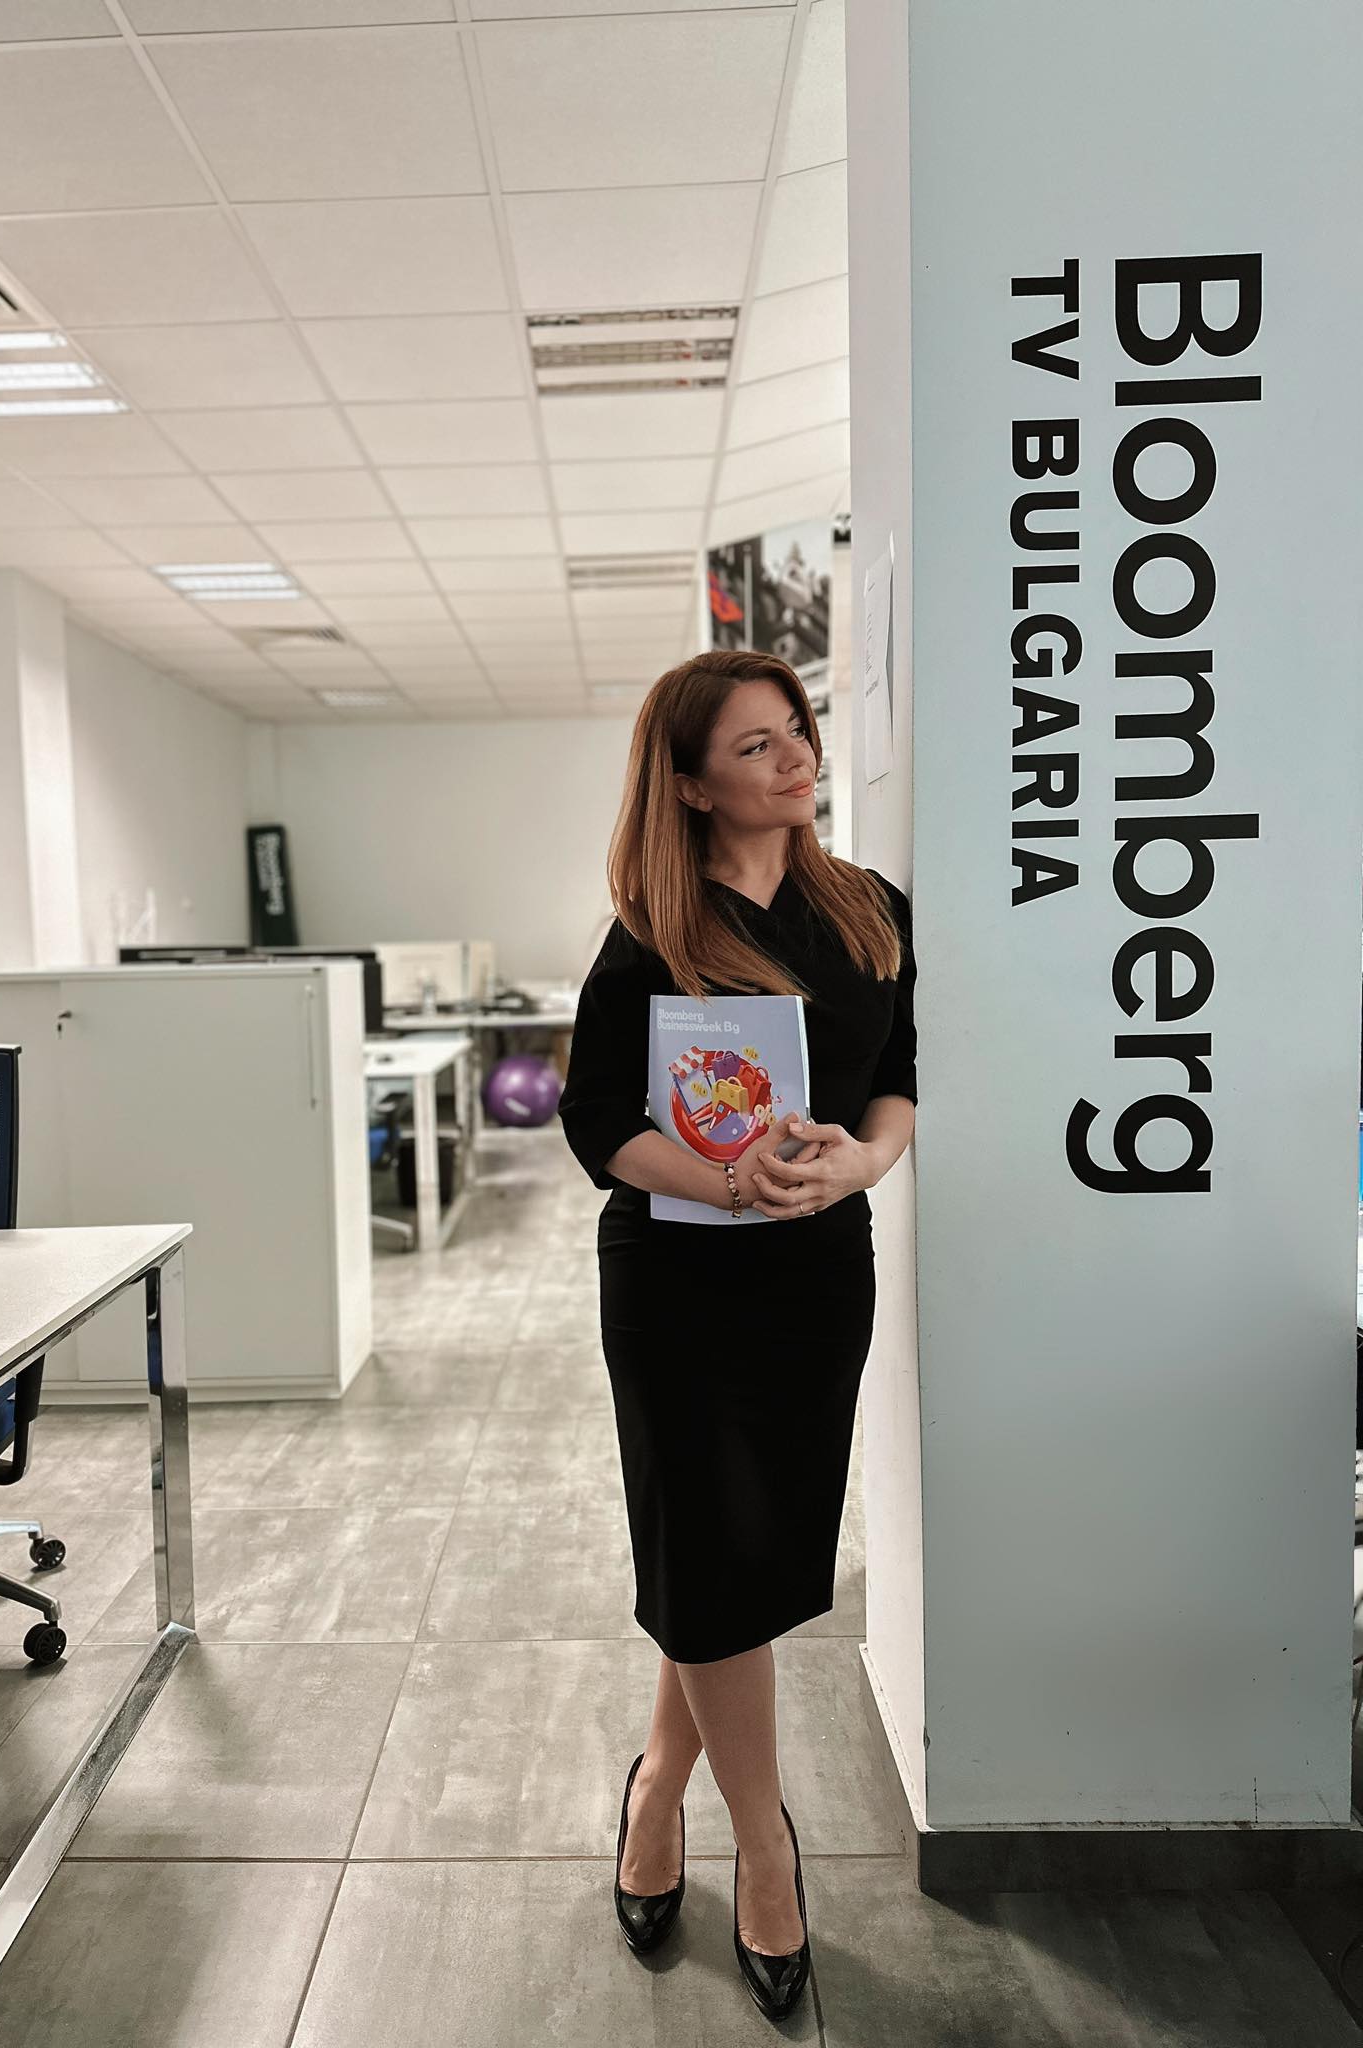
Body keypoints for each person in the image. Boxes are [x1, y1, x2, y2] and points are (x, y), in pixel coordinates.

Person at [557, 647, 917, 2021]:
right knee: (709, 1552)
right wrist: (722, 1180)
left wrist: (860, 1165)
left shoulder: (869, 910)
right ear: (695, 786)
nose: (797, 757)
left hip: (817, 1276)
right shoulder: (653, 932)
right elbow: (597, 1118)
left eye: (798, 731)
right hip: (678, 1284)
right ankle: (766, 1847)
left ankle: (657, 1784)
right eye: (757, 745)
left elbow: (901, 1076)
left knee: (740, 1560)